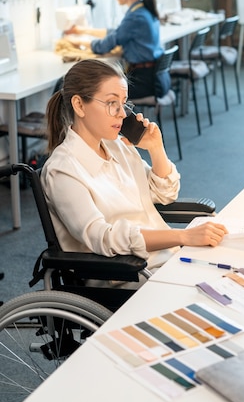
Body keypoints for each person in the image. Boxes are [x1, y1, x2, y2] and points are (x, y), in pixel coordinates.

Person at [41, 59, 227, 279]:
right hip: (129, 275)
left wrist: (156, 148)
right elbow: (103, 237)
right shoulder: (62, 171)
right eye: (112, 103)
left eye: (124, 103)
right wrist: (183, 237)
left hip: (167, 259)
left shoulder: (118, 146)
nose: (122, 114)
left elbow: (165, 194)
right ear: (79, 105)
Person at [66, 0, 170, 100]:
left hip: (145, 82)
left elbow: (105, 45)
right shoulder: (143, 11)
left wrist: (75, 42)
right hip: (155, 78)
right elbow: (116, 33)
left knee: (95, 94)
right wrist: (82, 31)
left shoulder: (135, 17)